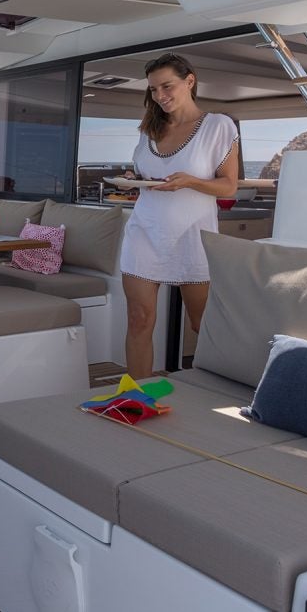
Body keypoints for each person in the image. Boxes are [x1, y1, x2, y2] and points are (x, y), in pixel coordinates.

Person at [117, 52, 239, 378]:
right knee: (139, 318)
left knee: (201, 323)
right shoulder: (148, 130)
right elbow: (145, 174)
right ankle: (136, 396)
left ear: (189, 80)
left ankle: (215, 393)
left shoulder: (218, 126)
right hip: (145, 230)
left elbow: (228, 187)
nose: (160, 96)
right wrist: (133, 180)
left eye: (166, 86)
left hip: (192, 234)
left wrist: (192, 182)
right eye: (154, 90)